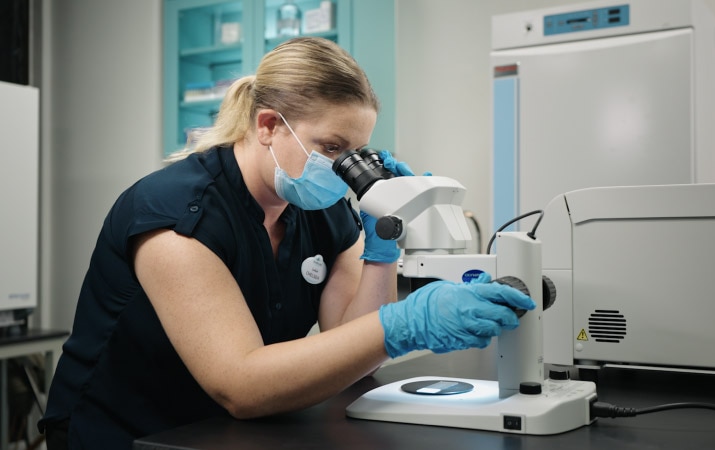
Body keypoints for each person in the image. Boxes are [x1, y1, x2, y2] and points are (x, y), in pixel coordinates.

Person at [38, 37, 534, 449]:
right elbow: (242, 384)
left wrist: (383, 242)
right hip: (129, 435)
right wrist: (407, 323)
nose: (344, 167)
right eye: (332, 148)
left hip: (229, 431)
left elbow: (351, 344)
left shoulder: (322, 209)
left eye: (357, 152)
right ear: (270, 126)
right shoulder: (175, 216)